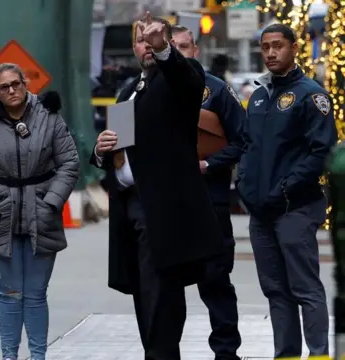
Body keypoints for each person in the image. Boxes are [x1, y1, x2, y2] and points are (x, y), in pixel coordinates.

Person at [90, 12, 225, 359]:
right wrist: (101, 149)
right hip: (130, 206)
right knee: (143, 295)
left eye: (152, 37)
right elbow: (120, 148)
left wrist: (165, 48)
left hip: (161, 210)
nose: (146, 45)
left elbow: (188, 82)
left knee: (160, 298)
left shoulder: (178, 78)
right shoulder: (129, 90)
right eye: (140, 39)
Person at [237, 23, 337, 358]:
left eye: (277, 46)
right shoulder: (260, 96)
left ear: (294, 48)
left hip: (295, 208)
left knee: (305, 287)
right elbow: (249, 147)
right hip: (261, 212)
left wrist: (285, 188)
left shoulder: (312, 95)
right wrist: (246, 188)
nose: (270, 53)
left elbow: (321, 152)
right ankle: (287, 354)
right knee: (276, 291)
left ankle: (320, 353)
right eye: (265, 47)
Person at [0, 63, 79, 360]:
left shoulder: (48, 116)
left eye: (16, 84)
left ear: (25, 83)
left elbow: (70, 163)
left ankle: (38, 356)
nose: (11, 91)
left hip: (42, 213)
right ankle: (9, 356)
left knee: (35, 295)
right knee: (9, 295)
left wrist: (51, 202)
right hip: (0, 215)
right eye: (4, 87)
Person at [171, 24, 245, 360]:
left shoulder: (216, 91)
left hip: (209, 200)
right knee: (165, 288)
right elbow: (120, 145)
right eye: (173, 47)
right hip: (165, 205)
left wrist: (210, 165)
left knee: (215, 282)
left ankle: (226, 353)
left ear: (195, 50)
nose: (180, 53)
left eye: (185, 46)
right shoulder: (142, 91)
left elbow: (244, 141)